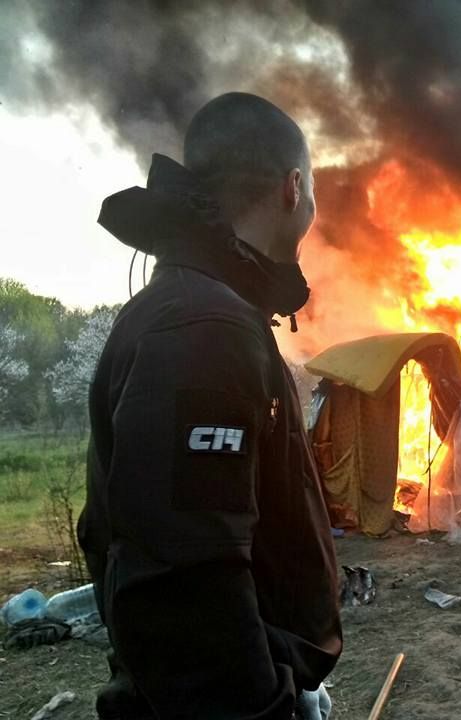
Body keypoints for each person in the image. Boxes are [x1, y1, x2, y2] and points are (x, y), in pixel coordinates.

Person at [79, 92, 342, 719]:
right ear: (293, 186)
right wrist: (268, 705)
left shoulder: (200, 306)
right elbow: (186, 582)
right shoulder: (206, 328)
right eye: (311, 191)